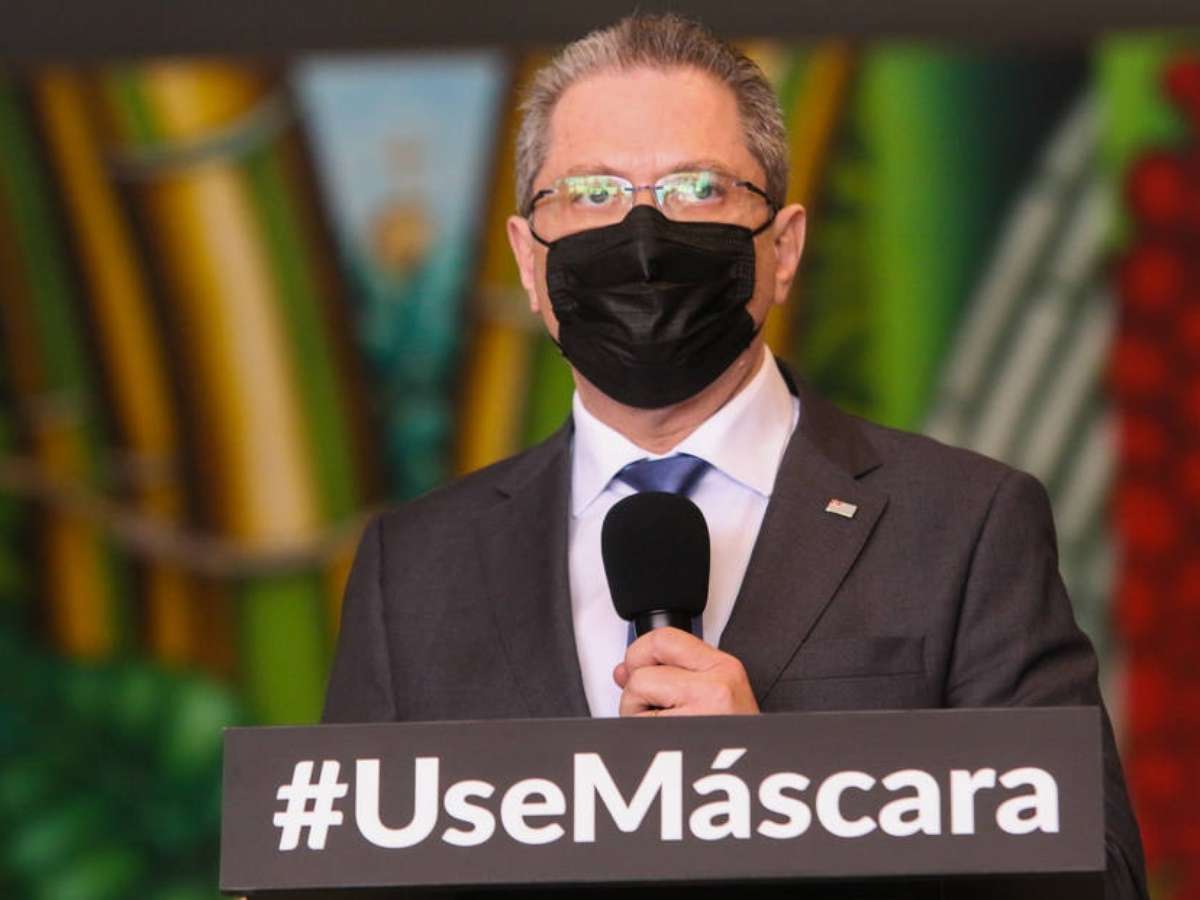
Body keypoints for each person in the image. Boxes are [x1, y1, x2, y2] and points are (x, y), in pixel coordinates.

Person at [324, 13, 1146, 898]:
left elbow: (1095, 880)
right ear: (528, 260)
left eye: (697, 188)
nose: (644, 237)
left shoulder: (964, 528)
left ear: (782, 248)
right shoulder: (413, 569)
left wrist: (784, 798)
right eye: (593, 193)